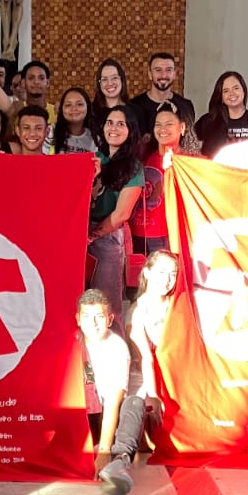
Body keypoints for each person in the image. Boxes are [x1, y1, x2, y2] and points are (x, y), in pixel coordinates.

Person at [77, 289, 145, 494]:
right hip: (81, 414)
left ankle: (119, 460)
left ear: (109, 319)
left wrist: (105, 449)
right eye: (87, 317)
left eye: (99, 317)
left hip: (106, 414)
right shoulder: (72, 341)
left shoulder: (116, 347)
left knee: (134, 403)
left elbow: (114, 402)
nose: (93, 324)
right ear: (78, 319)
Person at [88, 104, 144, 327]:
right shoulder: (93, 159)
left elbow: (121, 214)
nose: (114, 128)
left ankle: (119, 357)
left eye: (121, 124)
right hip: (81, 232)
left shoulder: (133, 167)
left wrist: (92, 236)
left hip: (108, 237)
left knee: (107, 303)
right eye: (110, 123)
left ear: (130, 130)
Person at [128, 250, 179, 435]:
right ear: (147, 272)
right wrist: (154, 394)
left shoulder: (178, 304)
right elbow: (145, 359)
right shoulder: (136, 312)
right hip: (147, 376)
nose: (167, 279)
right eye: (161, 272)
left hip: (177, 373)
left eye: (173, 274)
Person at [131, 102, 186, 256]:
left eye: (169, 124)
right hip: (137, 231)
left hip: (166, 235)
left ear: (182, 127)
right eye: (158, 124)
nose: (163, 129)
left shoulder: (188, 162)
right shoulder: (145, 156)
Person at [129, 52, 195, 137]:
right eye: (158, 70)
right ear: (150, 74)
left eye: (168, 70)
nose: (163, 75)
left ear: (174, 74)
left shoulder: (186, 106)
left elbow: (188, 142)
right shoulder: (133, 107)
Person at [195, 71, 248, 158]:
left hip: (247, 171)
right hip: (213, 171)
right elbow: (187, 142)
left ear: (244, 90)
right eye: (226, 91)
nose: (231, 93)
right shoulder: (208, 120)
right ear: (221, 96)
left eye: (236, 88)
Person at [51, 88, 98, 154]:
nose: (74, 108)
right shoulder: (50, 132)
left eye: (79, 104)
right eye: (68, 105)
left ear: (88, 106)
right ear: (61, 109)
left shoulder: (96, 138)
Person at [93, 59, 128, 123]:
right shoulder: (91, 112)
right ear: (99, 84)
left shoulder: (135, 111)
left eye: (114, 78)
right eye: (104, 79)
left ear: (122, 80)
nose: (110, 83)